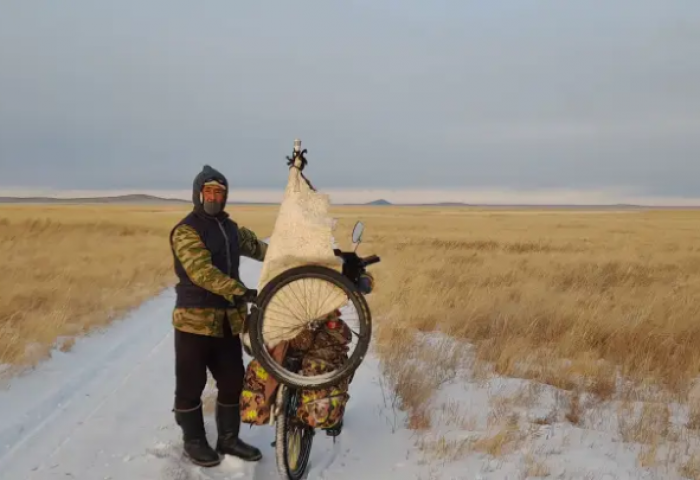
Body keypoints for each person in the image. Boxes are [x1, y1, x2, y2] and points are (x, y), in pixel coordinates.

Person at [169, 165, 268, 467]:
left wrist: (302, 258)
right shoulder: (186, 230)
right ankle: (194, 441)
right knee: (191, 383)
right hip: (194, 322)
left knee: (232, 381)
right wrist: (241, 291)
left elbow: (265, 250)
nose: (214, 197)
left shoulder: (231, 229)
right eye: (209, 191)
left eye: (220, 192)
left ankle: (228, 438)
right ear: (198, 194)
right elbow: (201, 272)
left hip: (227, 322)